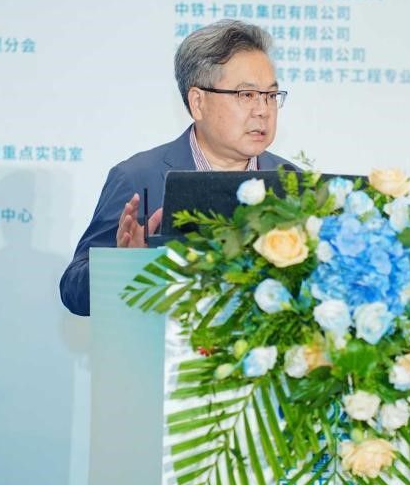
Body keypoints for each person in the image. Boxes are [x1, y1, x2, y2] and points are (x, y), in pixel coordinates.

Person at [60, 20, 295, 316]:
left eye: (271, 95)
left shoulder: (293, 182)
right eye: (246, 95)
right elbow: (73, 292)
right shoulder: (138, 177)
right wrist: (124, 265)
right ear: (198, 102)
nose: (263, 110)